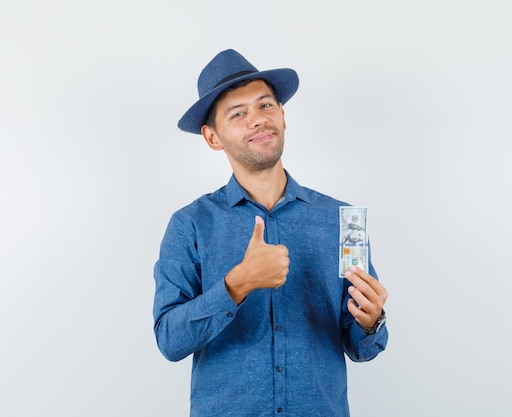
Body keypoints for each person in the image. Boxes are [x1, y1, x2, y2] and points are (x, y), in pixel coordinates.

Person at [152, 49, 389, 417]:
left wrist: (371, 320)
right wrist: (236, 286)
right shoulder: (190, 224)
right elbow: (169, 340)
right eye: (238, 113)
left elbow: (362, 347)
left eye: (265, 105)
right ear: (212, 137)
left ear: (283, 116)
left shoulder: (344, 221)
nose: (258, 120)